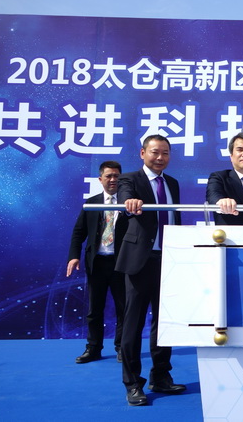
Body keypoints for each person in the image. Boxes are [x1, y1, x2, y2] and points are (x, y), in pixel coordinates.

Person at [115, 135, 186, 406]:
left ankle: (161, 376)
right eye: (155, 152)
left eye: (165, 153)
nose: (160, 158)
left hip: (168, 260)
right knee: (133, 325)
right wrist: (130, 204)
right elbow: (125, 198)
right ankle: (133, 383)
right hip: (139, 261)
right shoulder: (129, 179)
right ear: (142, 153)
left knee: (164, 323)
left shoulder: (172, 183)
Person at [67, 161, 126, 364]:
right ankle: (93, 348)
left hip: (121, 264)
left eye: (117, 176)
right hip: (97, 263)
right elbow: (78, 232)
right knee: (94, 310)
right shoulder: (91, 203)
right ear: (100, 179)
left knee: (124, 309)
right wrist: (74, 256)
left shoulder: (128, 203)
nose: (113, 180)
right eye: (109, 176)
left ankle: (122, 347)